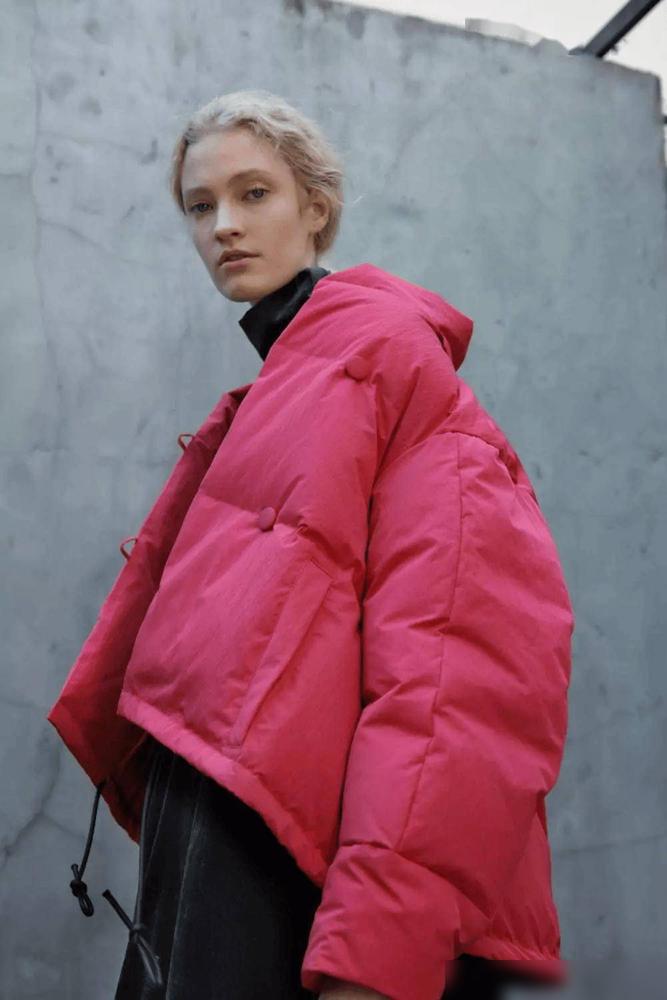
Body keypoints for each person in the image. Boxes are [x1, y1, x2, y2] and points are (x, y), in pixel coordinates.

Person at [47, 89, 575, 1000]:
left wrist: (376, 953)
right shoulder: (276, 397)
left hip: (284, 876)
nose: (223, 225)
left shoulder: (386, 366)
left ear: (316, 208)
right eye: (200, 205)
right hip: (210, 850)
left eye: (253, 193)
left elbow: (456, 676)